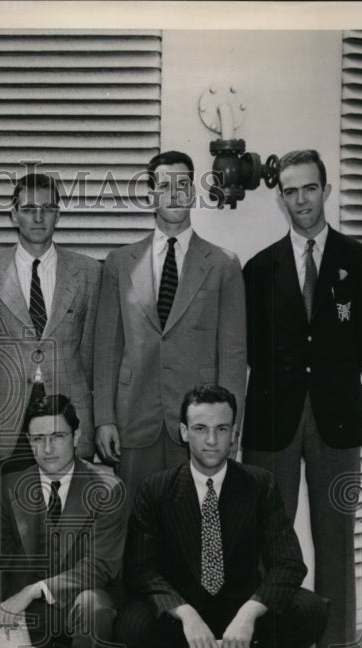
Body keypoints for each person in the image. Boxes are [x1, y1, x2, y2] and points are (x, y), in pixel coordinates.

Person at [242, 149, 362, 648]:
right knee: (266, 544)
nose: (300, 200)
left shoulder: (357, 259)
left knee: (336, 539)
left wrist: (327, 379)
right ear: (280, 198)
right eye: (291, 192)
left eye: (309, 189)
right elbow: (251, 345)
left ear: (327, 189)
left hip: (336, 419)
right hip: (272, 418)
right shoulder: (261, 267)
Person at [116, 384, 327, 648]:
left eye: (222, 429)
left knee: (310, 609)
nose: (211, 440)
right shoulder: (156, 489)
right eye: (200, 428)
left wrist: (249, 613)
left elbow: (289, 563)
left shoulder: (261, 484)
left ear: (235, 434)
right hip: (182, 615)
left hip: (238, 614)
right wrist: (184, 614)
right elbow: (140, 569)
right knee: (131, 624)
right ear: (184, 432)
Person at [94, 150, 246, 500]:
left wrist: (229, 426)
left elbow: (234, 355)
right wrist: (104, 418)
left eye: (182, 185)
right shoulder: (120, 263)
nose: (174, 194)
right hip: (134, 418)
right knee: (138, 528)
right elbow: (106, 350)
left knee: (196, 526)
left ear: (193, 192)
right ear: (151, 195)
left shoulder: (223, 264)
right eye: (164, 186)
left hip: (200, 423)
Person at [0, 394, 127, 648]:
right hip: (26, 611)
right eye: (38, 439)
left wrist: (37, 589)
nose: (48, 448)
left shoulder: (108, 489)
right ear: (28, 441)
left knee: (94, 606)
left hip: (80, 600)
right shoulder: (9, 486)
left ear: (77, 438)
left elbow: (102, 566)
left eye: (58, 437)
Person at [0, 173, 101, 469]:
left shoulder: (88, 272)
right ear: (13, 213)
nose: (38, 217)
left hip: (67, 408)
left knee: (66, 504)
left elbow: (92, 354)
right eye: (29, 208)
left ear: (57, 214)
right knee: (9, 501)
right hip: (6, 414)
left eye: (47, 208)